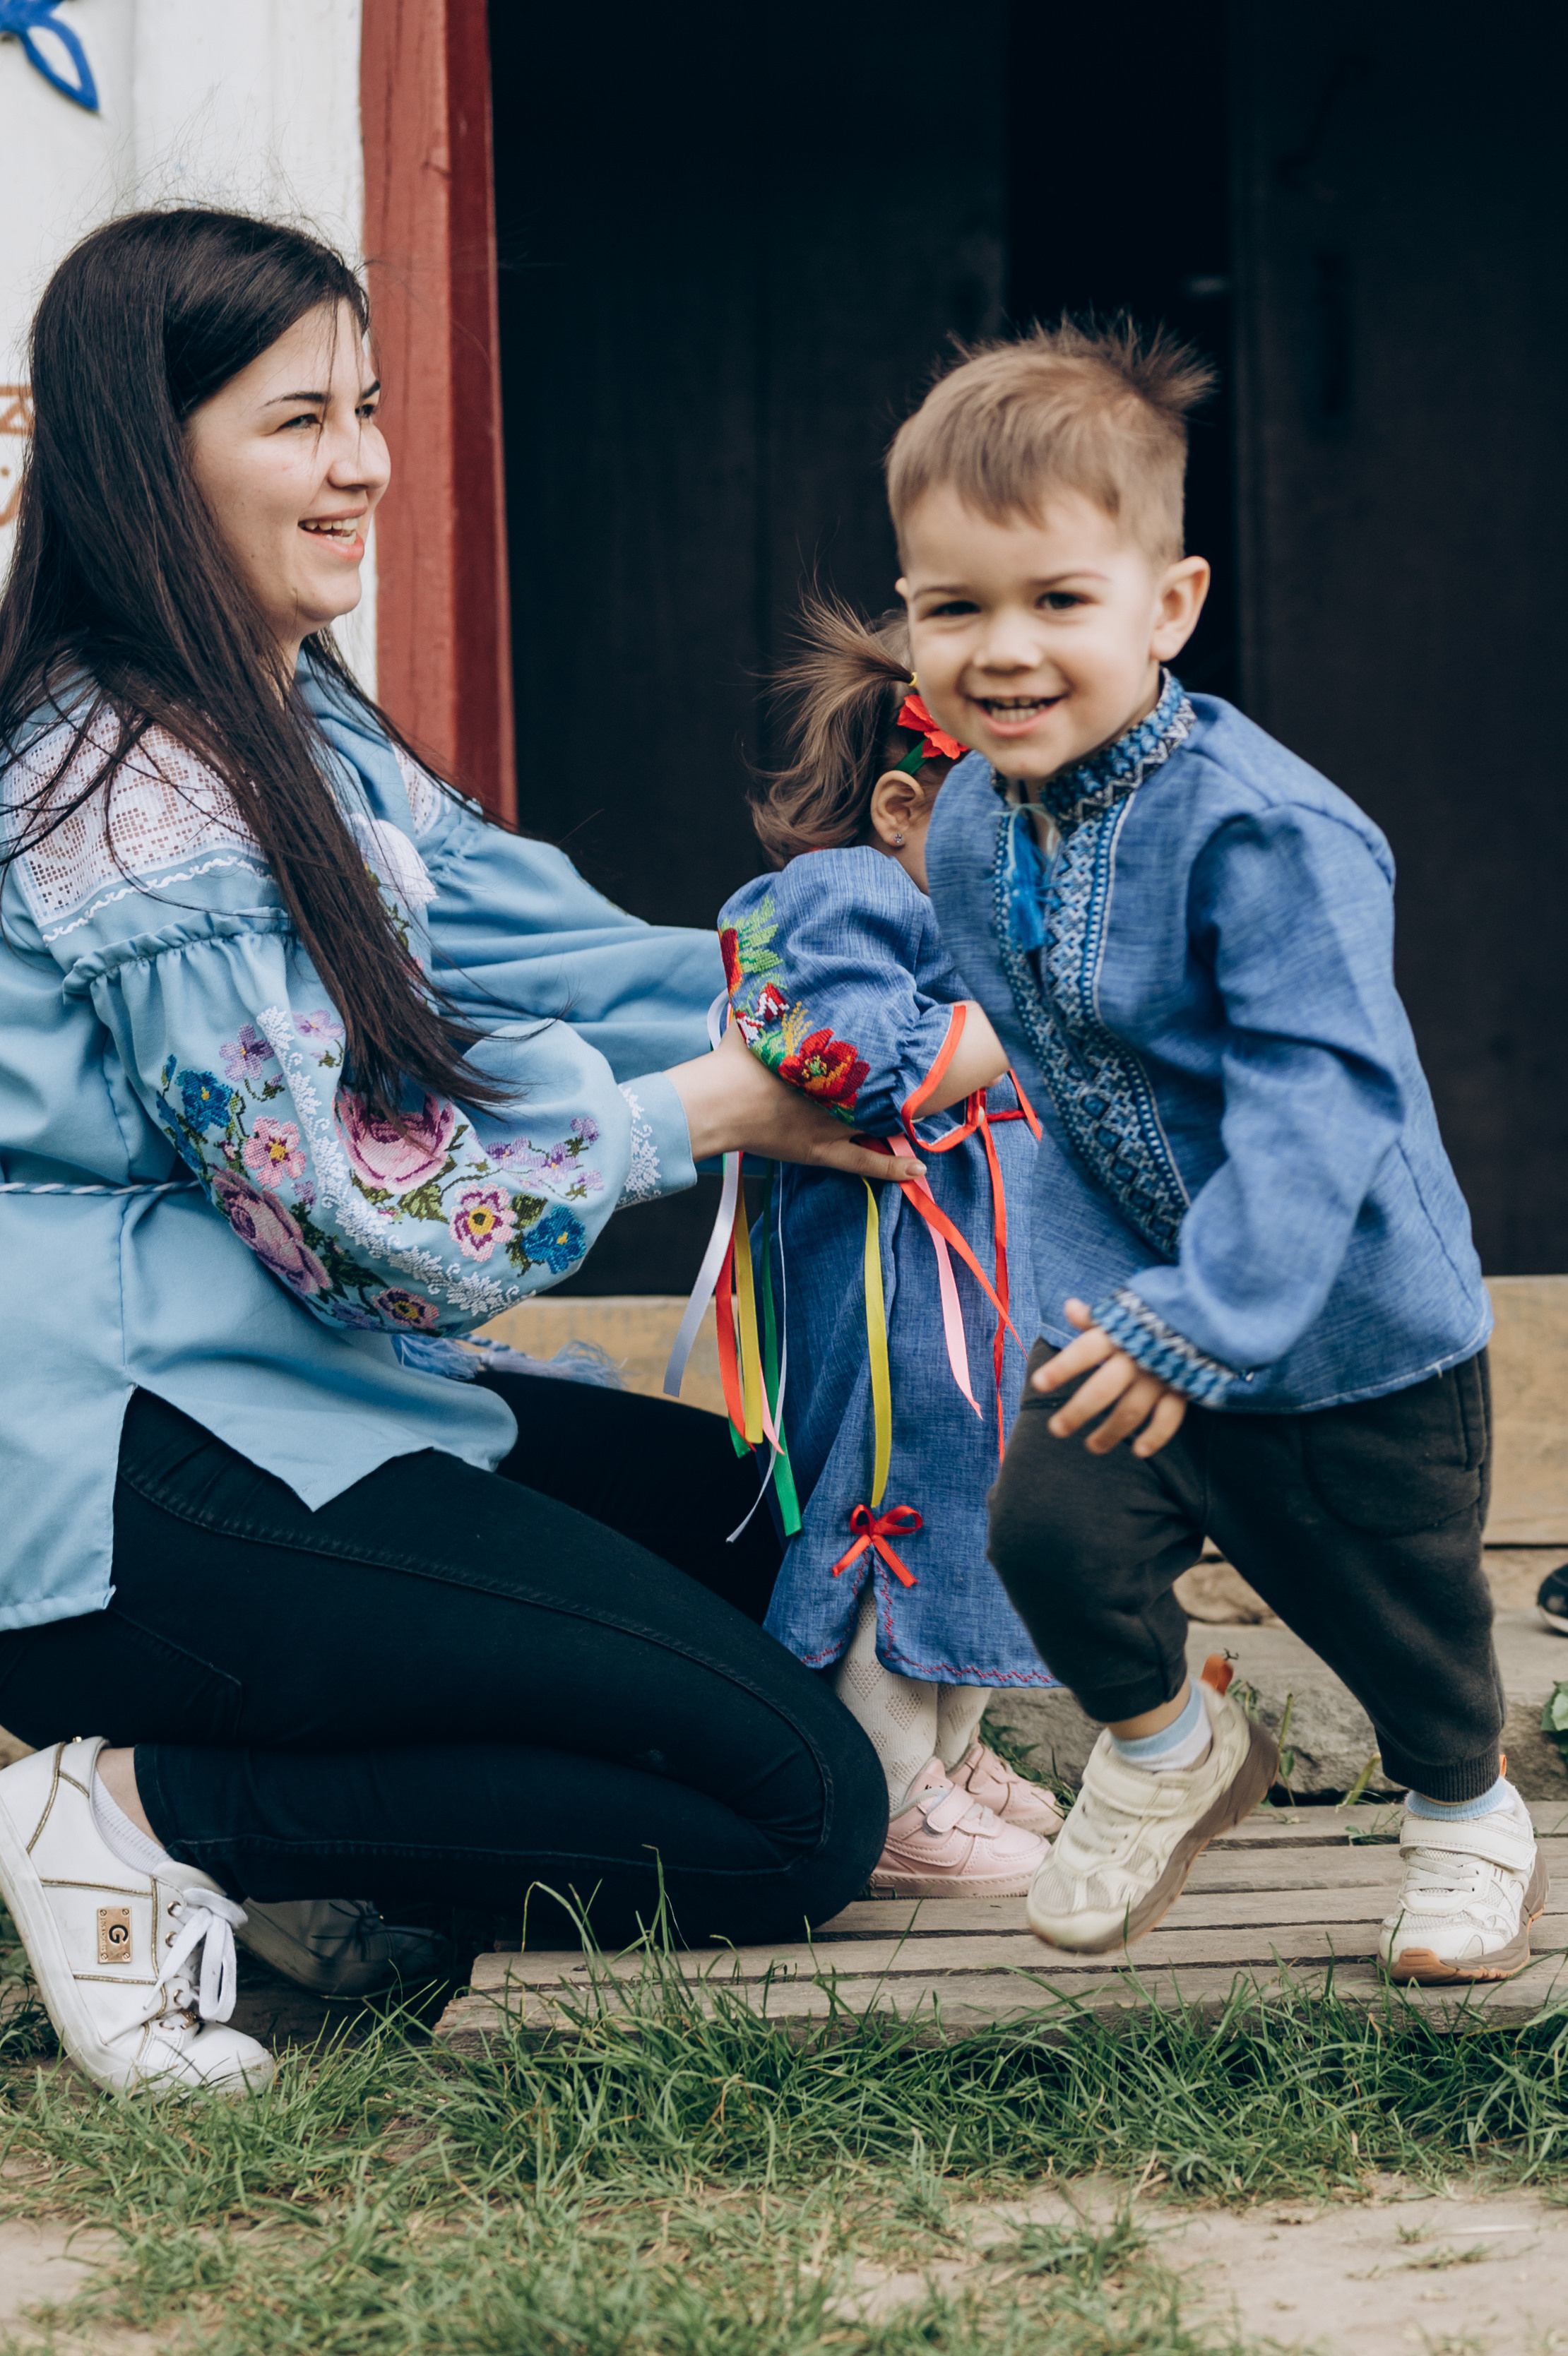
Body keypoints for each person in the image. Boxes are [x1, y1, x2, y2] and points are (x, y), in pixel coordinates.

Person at [0, 208, 915, 2100]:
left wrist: (861, 993)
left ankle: (316, 1838)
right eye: (300, 422)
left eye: (373, 406)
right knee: (791, 1811)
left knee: (771, 1536)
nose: (367, 465)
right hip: (121, 1453)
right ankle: (129, 1800)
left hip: (284, 1381)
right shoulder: (128, 793)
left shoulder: (283, 702)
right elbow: (357, 1222)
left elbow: (536, 943)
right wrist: (710, 1114)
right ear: (142, 458)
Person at [898, 320, 1540, 1983]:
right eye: (953, 606)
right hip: (1124, 1289)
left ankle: (1467, 1809)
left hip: (1339, 1313)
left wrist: (1216, 1316)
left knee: (1397, 1613)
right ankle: (1170, 1744)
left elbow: (1318, 1101)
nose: (1003, 649)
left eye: (1058, 601)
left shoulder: (1268, 829)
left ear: (1169, 606)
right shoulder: (973, 821)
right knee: (1046, 1529)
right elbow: (1058, 1035)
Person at [716, 597, 1061, 1900]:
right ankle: (888, 1783)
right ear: (906, 812)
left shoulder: (968, 920)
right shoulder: (841, 891)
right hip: (890, 1293)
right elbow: (859, 1062)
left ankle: (948, 1752)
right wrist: (1029, 1020)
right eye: (1007, 826)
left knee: (972, 1487)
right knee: (897, 1502)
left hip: (973, 1299)